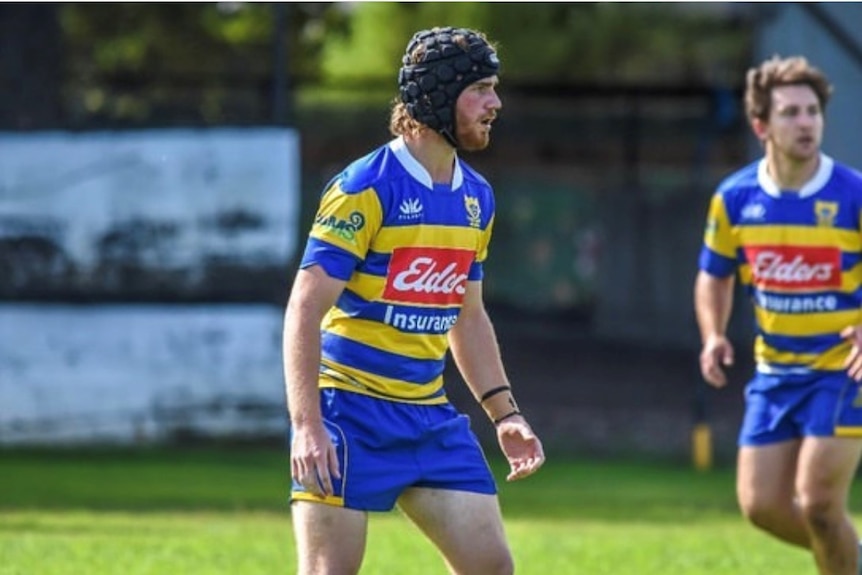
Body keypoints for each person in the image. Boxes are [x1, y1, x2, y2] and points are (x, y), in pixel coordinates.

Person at [282, 26, 545, 575]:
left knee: (491, 568)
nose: (495, 104)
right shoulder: (366, 187)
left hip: (429, 419)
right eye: (482, 89)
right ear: (438, 95)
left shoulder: (477, 197)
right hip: (348, 416)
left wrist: (505, 415)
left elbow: (467, 316)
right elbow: (305, 308)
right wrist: (308, 424)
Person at [695, 54, 862, 575]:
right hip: (774, 372)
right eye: (791, 112)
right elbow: (714, 273)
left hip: (842, 370)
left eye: (812, 111)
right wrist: (713, 334)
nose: (806, 122)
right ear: (761, 124)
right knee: (762, 508)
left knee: (816, 503)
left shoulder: (853, 194)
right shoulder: (735, 198)